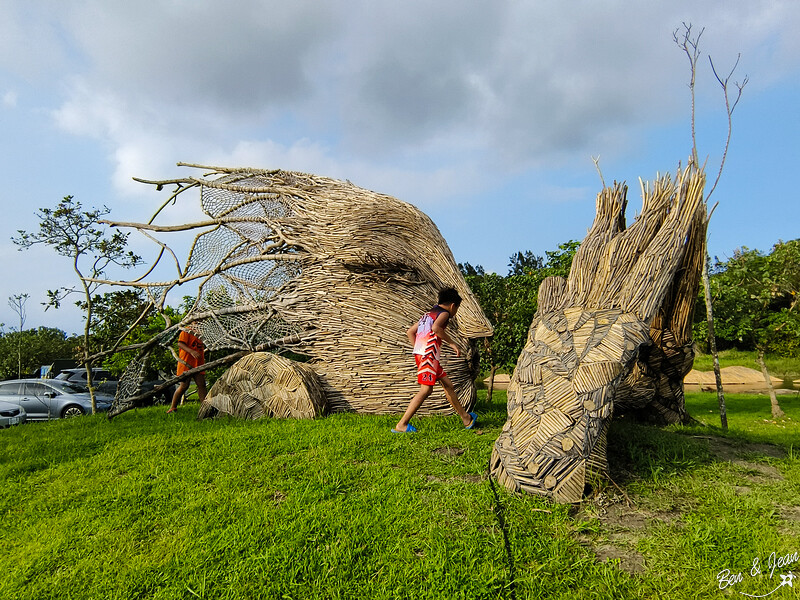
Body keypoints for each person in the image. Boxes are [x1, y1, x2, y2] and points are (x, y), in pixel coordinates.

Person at [393, 287, 477, 433]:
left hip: (426, 356)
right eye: (457, 309)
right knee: (426, 389)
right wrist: (452, 343)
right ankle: (402, 424)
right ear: (453, 305)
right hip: (428, 357)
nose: (455, 313)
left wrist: (419, 350)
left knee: (448, 385)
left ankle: (466, 418)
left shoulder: (428, 314)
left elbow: (410, 332)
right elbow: (437, 328)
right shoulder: (444, 313)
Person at [167, 329, 207, 414]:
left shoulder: (201, 332)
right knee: (184, 386)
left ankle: (205, 407)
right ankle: (173, 407)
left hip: (198, 363)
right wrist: (191, 351)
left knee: (202, 385)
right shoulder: (186, 331)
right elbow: (180, 343)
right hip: (186, 363)